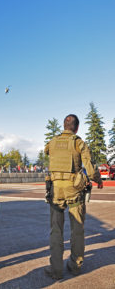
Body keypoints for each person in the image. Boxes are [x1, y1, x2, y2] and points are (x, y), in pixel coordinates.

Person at [44, 114, 103, 280]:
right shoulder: (78, 142)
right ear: (76, 128)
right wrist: (98, 180)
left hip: (55, 191)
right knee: (77, 229)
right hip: (74, 190)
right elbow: (90, 170)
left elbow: (46, 151)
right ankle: (75, 266)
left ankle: (55, 269)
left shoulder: (52, 142)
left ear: (64, 126)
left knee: (56, 230)